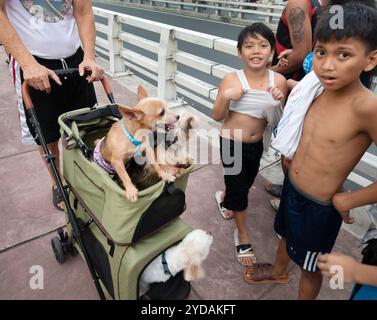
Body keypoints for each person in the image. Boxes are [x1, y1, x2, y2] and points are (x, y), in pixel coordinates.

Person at [244, 3, 377, 300]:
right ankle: (279, 270)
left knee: (310, 267)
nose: (327, 65)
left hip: (320, 205)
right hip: (292, 186)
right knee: (284, 234)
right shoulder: (317, 88)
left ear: (370, 60)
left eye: (343, 54)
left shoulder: (366, 107)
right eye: (321, 52)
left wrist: (350, 199)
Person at [0, 0, 104, 211]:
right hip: (34, 62)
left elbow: (83, 11)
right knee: (47, 135)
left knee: (88, 126)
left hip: (76, 58)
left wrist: (89, 56)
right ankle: (58, 184)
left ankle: (89, 179)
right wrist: (28, 64)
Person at [212, 23, 288, 267]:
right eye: (249, 46)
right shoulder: (231, 79)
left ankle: (224, 197)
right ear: (239, 52)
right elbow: (217, 116)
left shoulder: (279, 80)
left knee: (244, 181)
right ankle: (242, 235)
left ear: (272, 53)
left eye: (263, 45)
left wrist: (278, 101)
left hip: (257, 144)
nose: (256, 51)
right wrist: (225, 96)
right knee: (240, 189)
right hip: (231, 141)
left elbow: (279, 122)